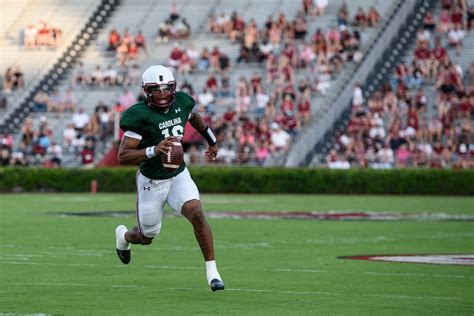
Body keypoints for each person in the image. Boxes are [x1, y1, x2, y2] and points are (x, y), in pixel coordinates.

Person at [115, 65, 224, 292]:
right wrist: (153, 150)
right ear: (147, 91)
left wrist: (211, 141)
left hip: (178, 175)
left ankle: (212, 272)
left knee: (196, 212)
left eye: (166, 89)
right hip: (151, 182)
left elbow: (195, 118)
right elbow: (123, 155)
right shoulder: (139, 116)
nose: (163, 94)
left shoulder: (182, 103)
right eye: (156, 90)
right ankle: (123, 236)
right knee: (147, 236)